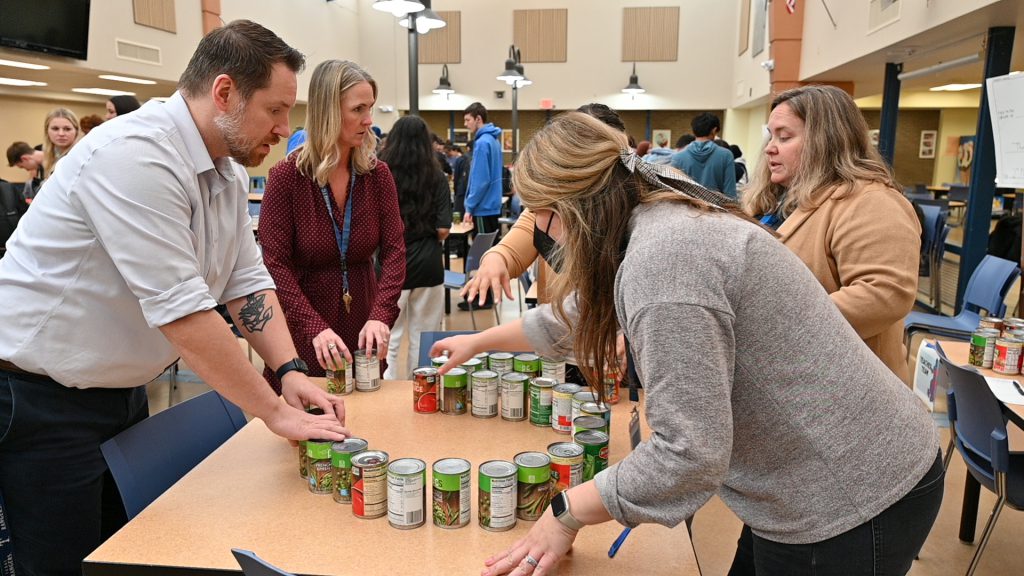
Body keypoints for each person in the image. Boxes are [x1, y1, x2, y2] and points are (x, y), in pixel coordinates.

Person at [432, 112, 942, 576]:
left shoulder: (666, 262)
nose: (540, 234)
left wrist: (566, 513)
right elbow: (582, 314)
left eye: (539, 215)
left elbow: (689, 455)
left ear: (571, 209)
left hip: (852, 491)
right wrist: (477, 342)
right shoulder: (650, 218)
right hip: (803, 484)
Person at [0, 20, 348, 576]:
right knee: (66, 562)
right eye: (276, 110)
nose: (286, 129)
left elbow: (244, 280)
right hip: (40, 399)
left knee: (131, 552)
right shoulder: (134, 154)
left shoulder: (226, 169)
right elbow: (183, 313)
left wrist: (289, 368)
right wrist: (273, 413)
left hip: (116, 387)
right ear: (225, 92)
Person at [741, 85, 920, 383]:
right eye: (770, 136)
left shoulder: (872, 202)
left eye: (784, 137)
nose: (770, 148)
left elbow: (883, 294)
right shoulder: (782, 199)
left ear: (825, 142)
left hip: (850, 389)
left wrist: (775, 322)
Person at [259, 59, 405, 391]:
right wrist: (313, 328)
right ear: (329, 111)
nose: (369, 120)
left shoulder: (376, 175)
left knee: (367, 425)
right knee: (310, 429)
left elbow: (395, 251)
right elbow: (274, 264)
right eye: (358, 109)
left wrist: (381, 315)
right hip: (304, 330)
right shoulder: (287, 178)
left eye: (370, 107)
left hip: (364, 327)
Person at [461, 103, 633, 384]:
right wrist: (495, 260)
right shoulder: (551, 205)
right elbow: (517, 242)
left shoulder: (634, 220)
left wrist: (634, 329)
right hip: (565, 349)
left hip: (615, 360)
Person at [381, 116, 451, 378]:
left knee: (388, 333)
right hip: (428, 264)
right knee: (423, 337)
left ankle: (386, 389)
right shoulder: (437, 177)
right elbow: (444, 229)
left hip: (390, 264)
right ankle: (418, 387)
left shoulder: (381, 173)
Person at [671, 112, 737, 197]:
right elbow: (730, 194)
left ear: (694, 131)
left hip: (687, 208)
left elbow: (673, 193)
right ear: (714, 130)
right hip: (716, 209)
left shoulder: (678, 157)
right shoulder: (726, 155)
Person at [42, 107, 80, 178]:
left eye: (67, 129)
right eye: (55, 129)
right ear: (47, 131)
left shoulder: (81, 156)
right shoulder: (49, 155)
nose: (61, 134)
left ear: (76, 131)